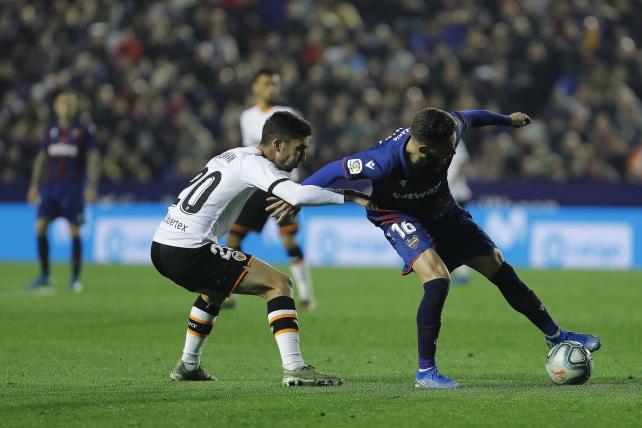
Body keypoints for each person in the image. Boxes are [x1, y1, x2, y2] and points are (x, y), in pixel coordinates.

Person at [268, 108, 601, 389]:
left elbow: (470, 116)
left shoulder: (448, 129)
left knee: (498, 267)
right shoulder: (381, 163)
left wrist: (506, 121)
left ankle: (555, 335)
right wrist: (295, 195)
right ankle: (426, 371)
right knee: (437, 278)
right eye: (447, 149)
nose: (453, 151)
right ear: (424, 148)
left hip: (443, 209)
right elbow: (332, 170)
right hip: (395, 213)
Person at [151, 111, 369, 385]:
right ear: (277, 144)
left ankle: (188, 365)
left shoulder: (233, 155)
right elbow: (296, 193)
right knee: (278, 283)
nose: (303, 156)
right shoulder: (255, 164)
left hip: (162, 243)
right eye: (299, 148)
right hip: (189, 248)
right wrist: (352, 195)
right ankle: (295, 368)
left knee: (215, 290)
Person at [225, 69, 317, 310]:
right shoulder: (247, 116)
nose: (273, 89)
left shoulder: (288, 115)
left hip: (281, 186)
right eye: (267, 84)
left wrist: (293, 188)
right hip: (255, 186)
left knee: (288, 241)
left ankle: (307, 295)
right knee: (233, 239)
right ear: (254, 88)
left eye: (275, 84)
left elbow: (300, 152)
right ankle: (227, 292)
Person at [26, 90, 99, 293]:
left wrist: (91, 186)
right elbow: (41, 158)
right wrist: (34, 185)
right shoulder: (50, 130)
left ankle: (75, 278)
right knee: (40, 226)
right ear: (56, 106)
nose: (66, 106)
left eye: (70, 102)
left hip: (73, 188)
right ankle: (45, 275)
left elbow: (93, 159)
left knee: (74, 229)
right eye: (63, 102)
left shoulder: (84, 131)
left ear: (75, 106)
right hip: (50, 187)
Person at [446, 142, 472, 284]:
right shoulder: (431, 139)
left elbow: (462, 165)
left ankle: (462, 271)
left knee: (453, 235)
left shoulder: (454, 139)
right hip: (444, 196)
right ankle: (460, 270)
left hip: (456, 195)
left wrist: (448, 185)